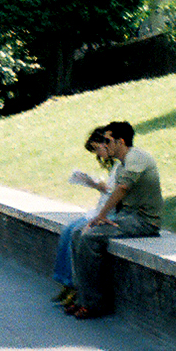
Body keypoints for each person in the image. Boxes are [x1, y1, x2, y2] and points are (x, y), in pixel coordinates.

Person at [66, 121, 163, 319]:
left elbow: (122, 189)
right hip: (125, 217)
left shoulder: (137, 157)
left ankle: (95, 304)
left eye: (107, 140)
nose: (104, 144)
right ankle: (82, 298)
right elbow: (116, 195)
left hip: (143, 221)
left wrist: (102, 217)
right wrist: (101, 218)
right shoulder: (121, 165)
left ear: (121, 141)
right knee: (77, 233)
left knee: (88, 237)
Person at [51, 127, 115, 308]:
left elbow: (120, 193)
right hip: (99, 210)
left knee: (76, 233)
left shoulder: (123, 164)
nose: (99, 155)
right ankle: (66, 282)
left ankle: (75, 286)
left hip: (108, 213)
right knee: (67, 231)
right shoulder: (114, 165)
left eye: (98, 149)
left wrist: (101, 187)